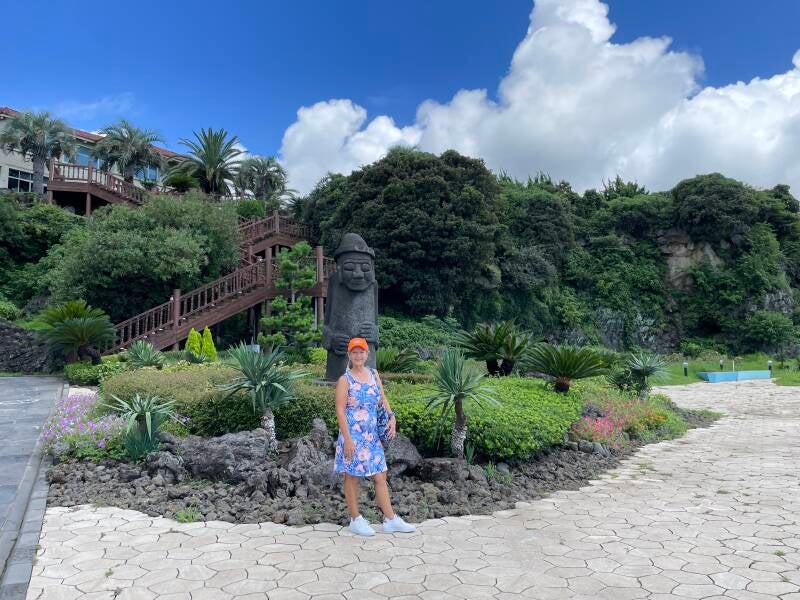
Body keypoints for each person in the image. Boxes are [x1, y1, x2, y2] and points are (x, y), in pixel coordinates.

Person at [334, 337, 416, 536]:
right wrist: (348, 439)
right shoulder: (345, 380)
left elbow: (382, 398)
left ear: (367, 354)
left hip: (371, 436)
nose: (358, 355)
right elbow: (340, 411)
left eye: (361, 352)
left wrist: (392, 416)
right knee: (352, 476)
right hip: (353, 436)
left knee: (380, 475)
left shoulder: (373, 374)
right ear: (349, 355)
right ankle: (355, 519)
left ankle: (390, 519)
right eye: (354, 352)